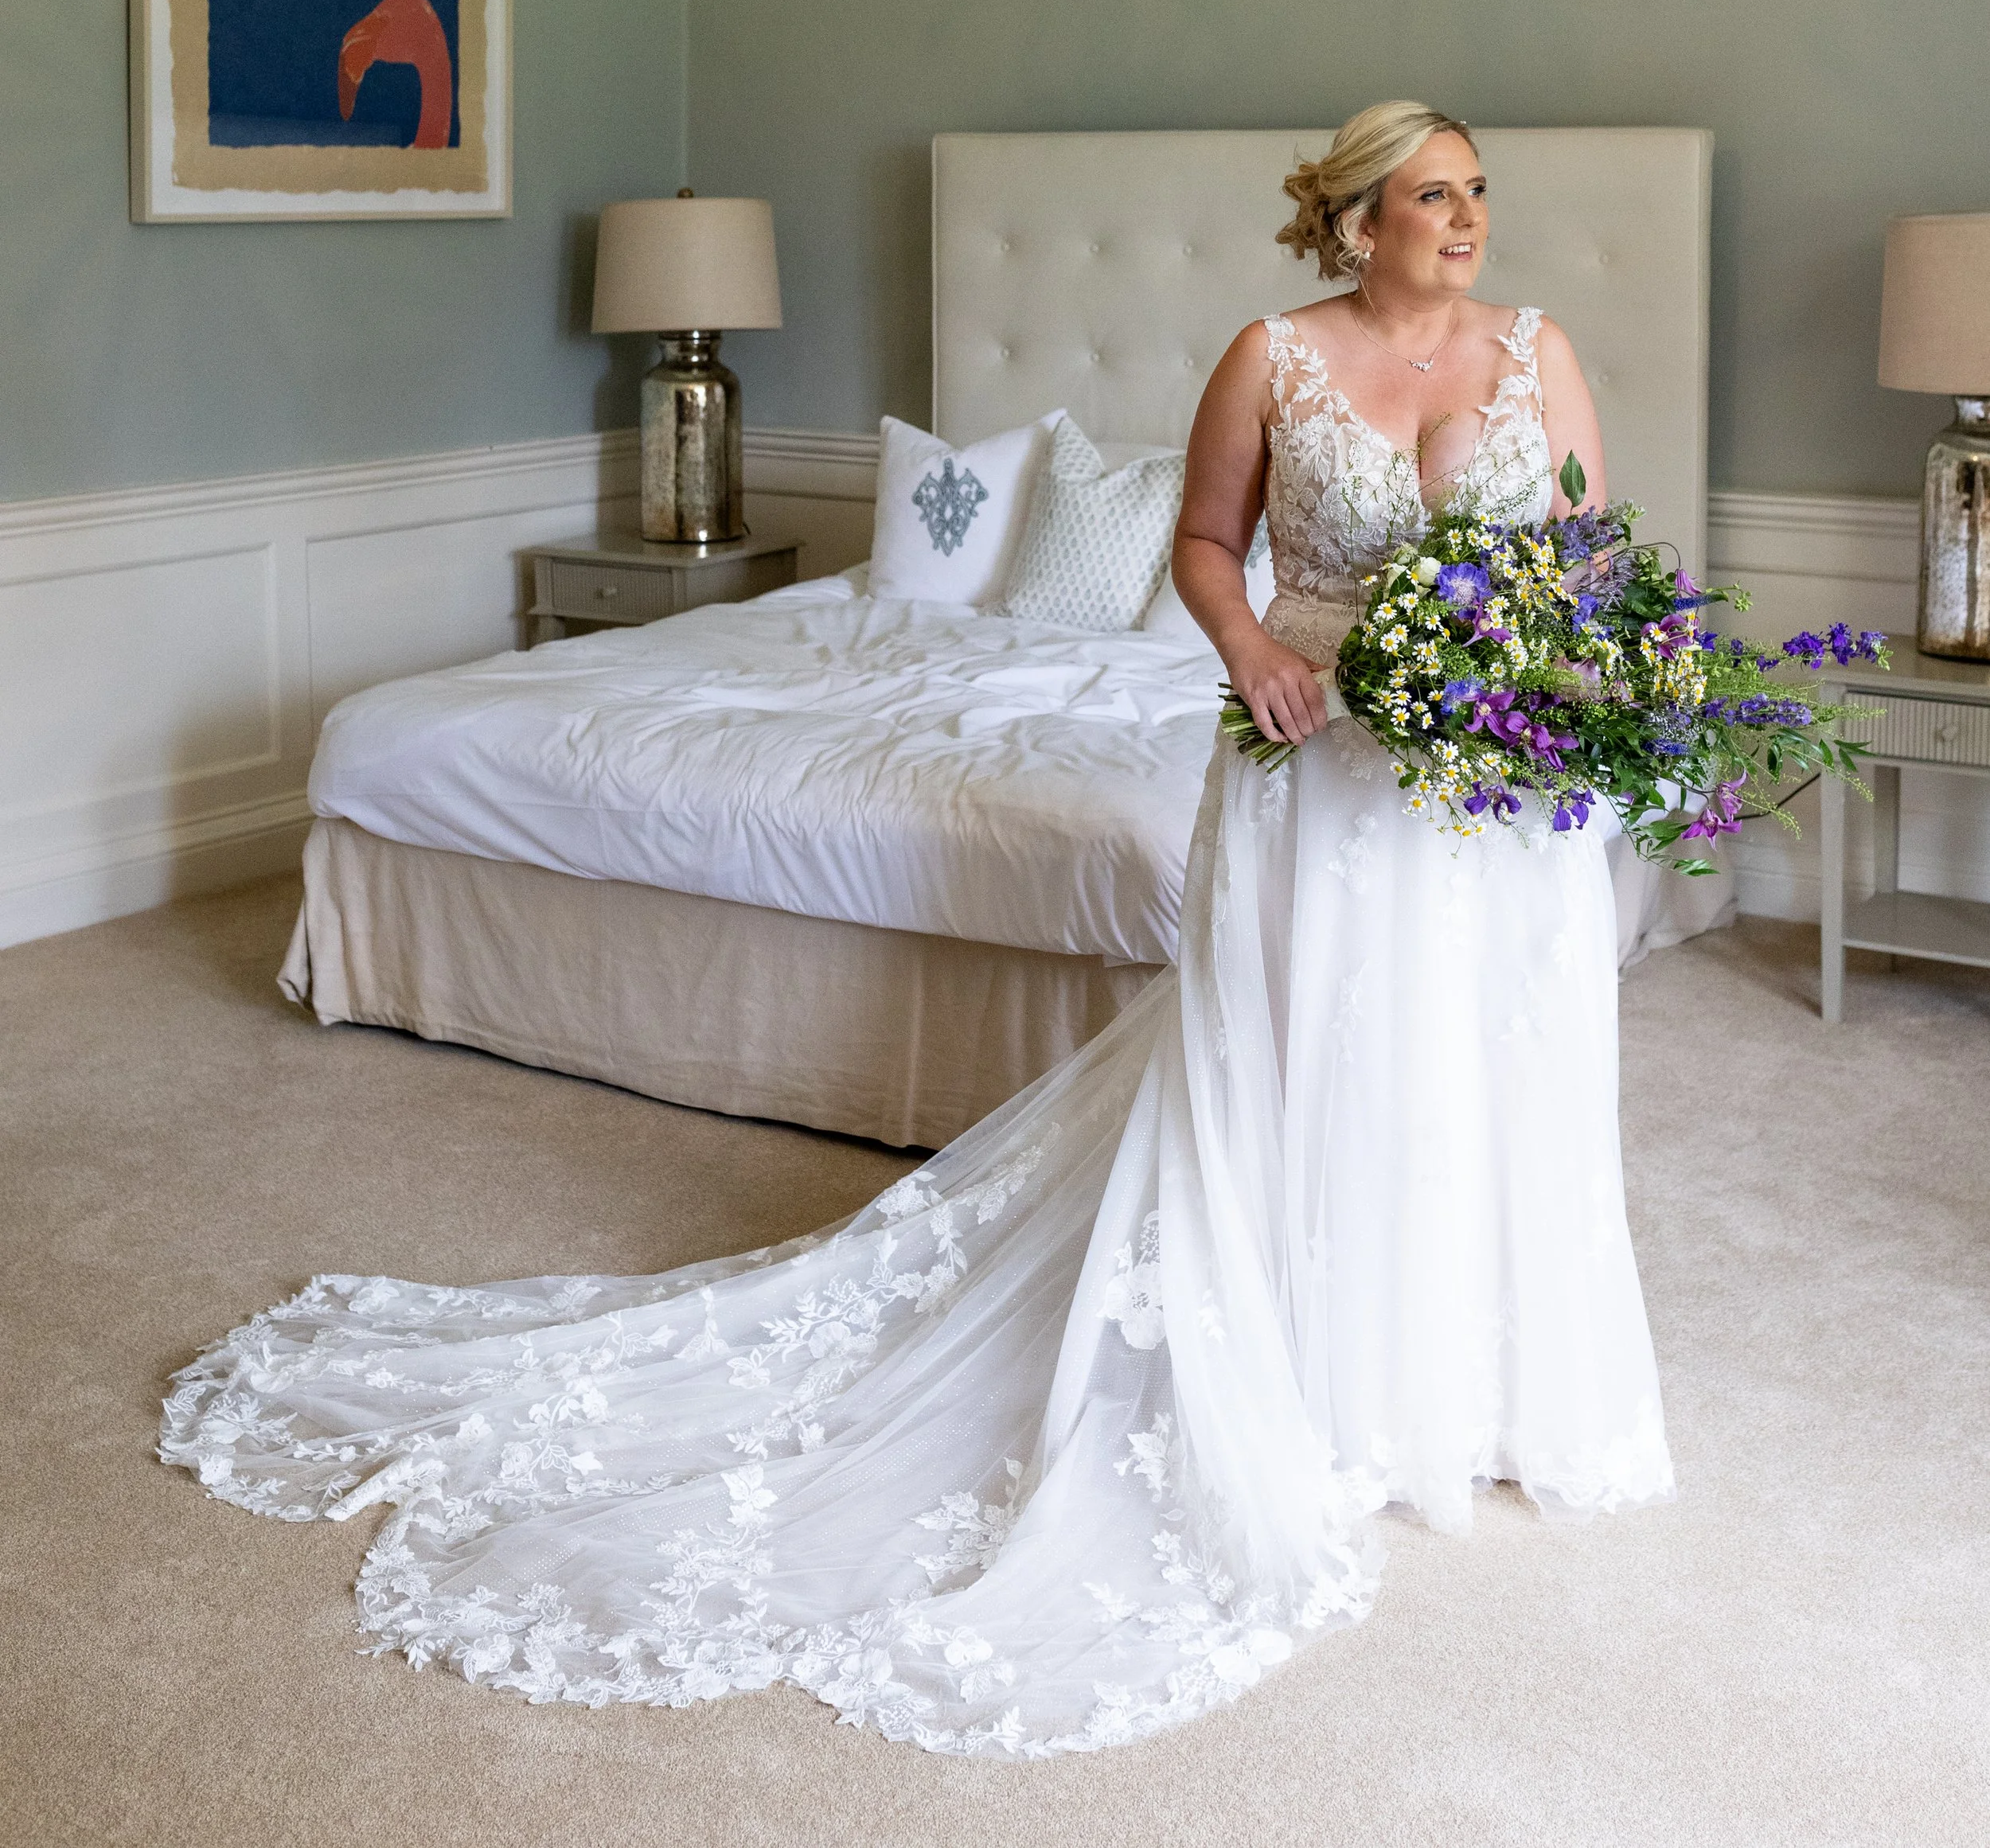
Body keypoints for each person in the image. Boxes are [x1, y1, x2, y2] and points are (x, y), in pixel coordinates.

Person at [162, 101, 1672, 1756]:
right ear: (1358, 218)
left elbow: (1588, 556)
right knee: (1313, 1049)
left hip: (1500, 780)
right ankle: (1310, 1372)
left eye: (1475, 194)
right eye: (1433, 195)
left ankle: (1480, 1381)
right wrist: (1245, 648)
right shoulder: (1271, 356)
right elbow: (1201, 542)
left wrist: (1580, 682)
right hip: (1312, 762)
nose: (1465, 219)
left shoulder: (1535, 350)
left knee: (1486, 1055)